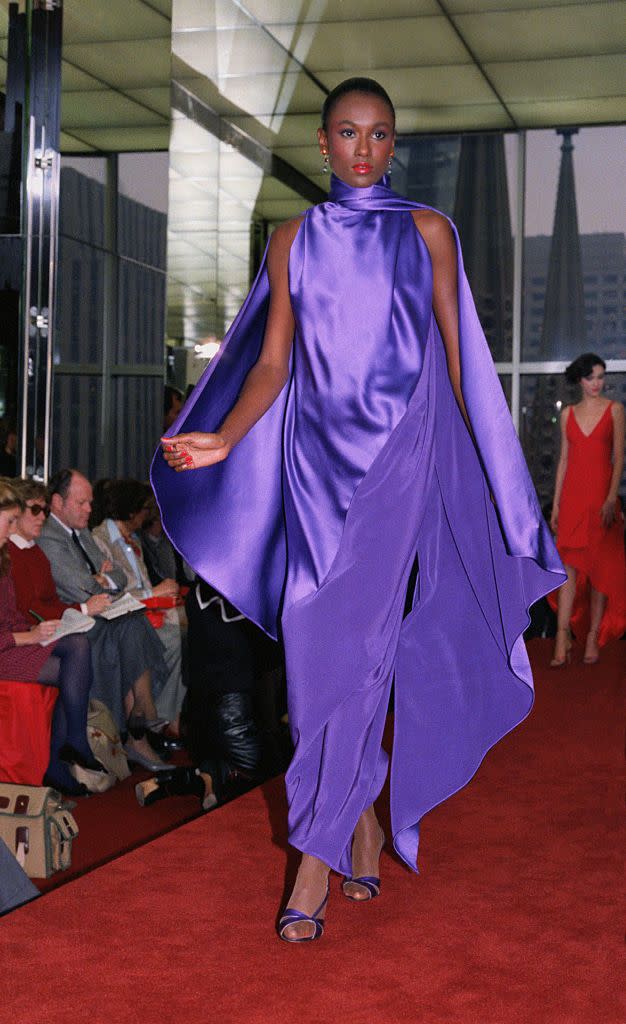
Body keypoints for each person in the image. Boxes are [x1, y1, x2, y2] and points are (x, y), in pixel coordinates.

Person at [152, 78, 564, 943]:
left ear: (393, 142)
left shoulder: (427, 232)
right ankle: (361, 824)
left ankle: (313, 857)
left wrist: (491, 475)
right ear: (323, 140)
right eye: (348, 134)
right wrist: (225, 437)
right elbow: (273, 364)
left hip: (398, 465)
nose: (365, 151)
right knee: (312, 670)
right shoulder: (291, 240)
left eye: (379, 135)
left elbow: (460, 360)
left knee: (365, 650)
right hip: (312, 468)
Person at [36, 470, 171, 771]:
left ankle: (137, 723)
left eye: (90, 503)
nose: (89, 510)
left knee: (132, 620)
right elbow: (83, 588)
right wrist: (101, 579)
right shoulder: (50, 537)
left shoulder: (80, 531)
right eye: (82, 503)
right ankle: (140, 719)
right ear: (57, 502)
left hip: (99, 617)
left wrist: (103, 578)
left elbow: (120, 577)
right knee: (131, 624)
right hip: (71, 624)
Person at [0, 478, 105, 796]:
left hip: (13, 640)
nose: (13, 527)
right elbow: (22, 616)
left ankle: (64, 753)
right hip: (8, 646)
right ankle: (67, 751)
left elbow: (16, 613)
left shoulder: (6, 556)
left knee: (75, 653)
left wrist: (32, 632)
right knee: (75, 653)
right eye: (10, 520)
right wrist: (27, 637)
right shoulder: (11, 555)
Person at [549, 354, 625, 666]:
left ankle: (593, 635)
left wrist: (610, 499)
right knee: (568, 569)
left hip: (601, 502)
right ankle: (562, 635)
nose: (597, 383)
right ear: (580, 380)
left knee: (599, 570)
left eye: (601, 376)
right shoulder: (568, 414)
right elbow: (564, 461)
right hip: (572, 501)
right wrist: (555, 503)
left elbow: (619, 458)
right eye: (591, 377)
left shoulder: (616, 410)